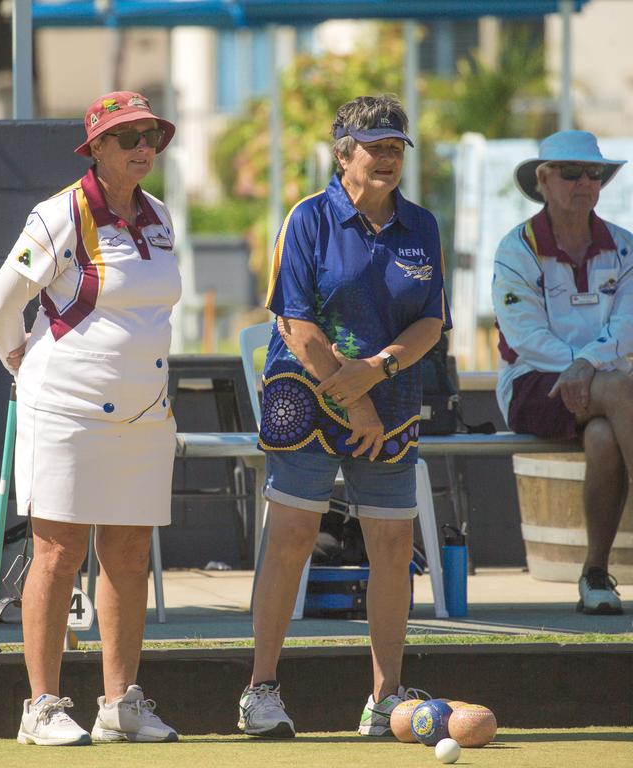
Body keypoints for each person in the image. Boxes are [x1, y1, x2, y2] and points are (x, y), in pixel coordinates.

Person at [239, 94, 450, 739]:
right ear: (342, 153)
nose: (386, 158)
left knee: (391, 545)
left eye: (395, 148)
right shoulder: (307, 219)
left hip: (388, 398)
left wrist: (379, 371)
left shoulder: (422, 225)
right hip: (305, 393)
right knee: (294, 536)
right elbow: (295, 323)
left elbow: (430, 322)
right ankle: (261, 691)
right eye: (374, 146)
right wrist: (349, 393)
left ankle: (386, 702)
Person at [0, 91, 181, 746]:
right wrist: (19, 364)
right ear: (95, 148)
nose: (143, 147)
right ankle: (40, 707)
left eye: (150, 134)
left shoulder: (161, 218)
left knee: (128, 553)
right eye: (127, 137)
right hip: (64, 412)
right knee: (58, 552)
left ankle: (120, 704)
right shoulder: (57, 215)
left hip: (145, 415)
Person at [493, 130, 631, 615]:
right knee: (618, 388)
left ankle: (595, 574)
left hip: (607, 392)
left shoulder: (624, 246)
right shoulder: (517, 248)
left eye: (594, 173)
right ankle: (595, 573)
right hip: (533, 384)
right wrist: (586, 366)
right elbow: (525, 336)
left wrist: (585, 365)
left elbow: (629, 323)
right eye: (571, 173)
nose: (584, 182)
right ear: (544, 180)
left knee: (602, 439)